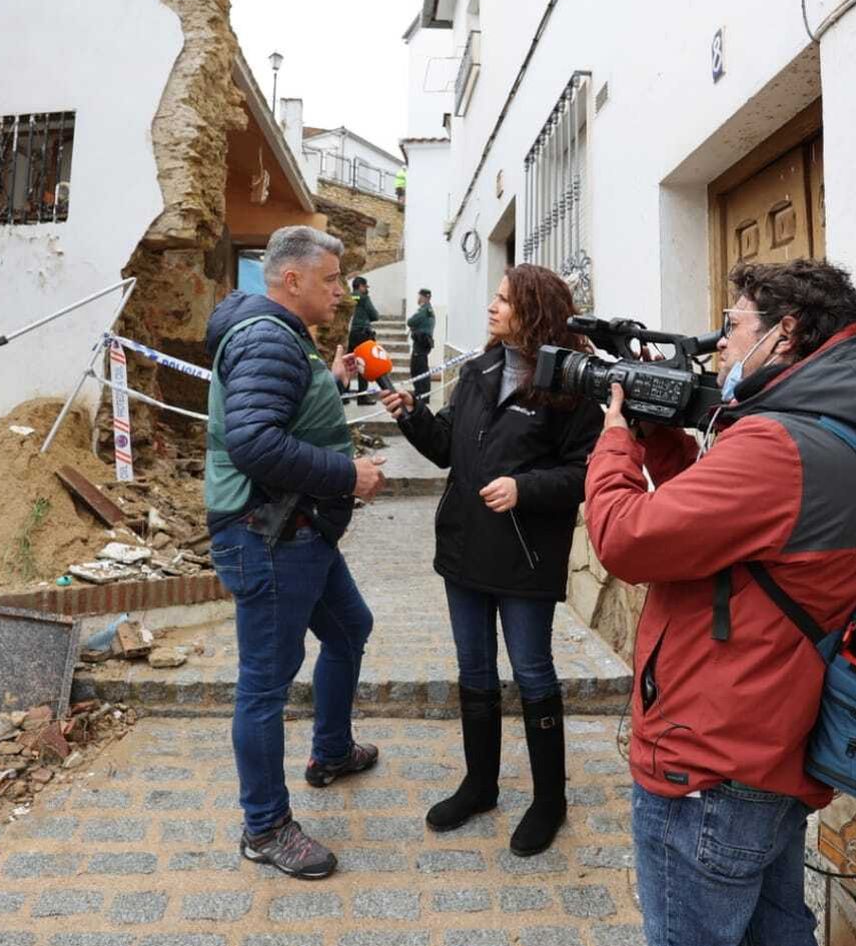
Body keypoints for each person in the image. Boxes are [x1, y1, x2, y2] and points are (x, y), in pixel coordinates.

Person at [582, 259, 856, 946]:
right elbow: (720, 531)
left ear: (784, 333)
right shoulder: (832, 431)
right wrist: (663, 434)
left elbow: (627, 538)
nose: (720, 343)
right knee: (777, 938)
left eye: (732, 326)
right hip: (767, 744)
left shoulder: (776, 445)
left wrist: (613, 437)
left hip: (711, 762)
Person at [380, 263, 601, 856]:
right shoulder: (478, 371)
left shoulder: (572, 386)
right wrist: (409, 414)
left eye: (504, 300)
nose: (492, 307)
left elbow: (586, 471)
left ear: (534, 311)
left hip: (526, 556)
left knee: (532, 673)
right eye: (495, 298)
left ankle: (549, 800)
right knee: (474, 672)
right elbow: (445, 447)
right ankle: (480, 786)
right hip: (464, 547)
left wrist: (524, 488)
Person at [203, 226, 390, 880]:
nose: (341, 293)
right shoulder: (266, 338)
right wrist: (349, 476)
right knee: (265, 683)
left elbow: (275, 412)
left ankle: (331, 751)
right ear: (291, 281)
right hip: (270, 534)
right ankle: (265, 826)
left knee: (350, 628)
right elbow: (254, 441)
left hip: (297, 529)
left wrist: (326, 381)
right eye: (331, 281)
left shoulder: (278, 338)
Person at [347, 275, 379, 404]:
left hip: (350, 334)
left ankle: (344, 395)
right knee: (362, 364)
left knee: (348, 363)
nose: (366, 289)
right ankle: (362, 397)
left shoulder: (349, 297)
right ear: (360, 286)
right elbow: (375, 315)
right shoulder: (364, 298)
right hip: (362, 334)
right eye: (365, 286)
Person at [406, 288, 436, 403]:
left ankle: (422, 395)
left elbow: (410, 322)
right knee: (421, 369)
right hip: (423, 343)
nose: (418, 298)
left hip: (420, 344)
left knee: (418, 369)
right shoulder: (428, 310)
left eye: (419, 296)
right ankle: (423, 395)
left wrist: (414, 327)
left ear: (424, 297)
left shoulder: (424, 310)